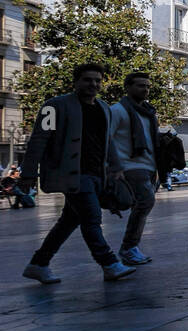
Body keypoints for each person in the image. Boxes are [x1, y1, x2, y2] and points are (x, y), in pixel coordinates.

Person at [18, 63, 136, 283]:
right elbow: (38, 140)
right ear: (75, 81)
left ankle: (38, 264)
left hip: (96, 174)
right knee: (92, 218)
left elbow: (108, 143)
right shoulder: (53, 107)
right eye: (87, 79)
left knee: (69, 221)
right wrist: (28, 173)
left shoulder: (103, 108)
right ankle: (109, 263)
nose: (93, 84)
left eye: (97, 80)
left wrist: (117, 168)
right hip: (71, 175)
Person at [107, 71, 161, 265]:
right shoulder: (118, 111)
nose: (145, 89)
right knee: (146, 201)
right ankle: (129, 248)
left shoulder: (149, 112)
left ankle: (130, 247)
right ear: (128, 87)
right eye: (140, 85)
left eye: (147, 86)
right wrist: (114, 166)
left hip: (148, 166)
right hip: (130, 165)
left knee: (143, 203)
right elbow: (107, 139)